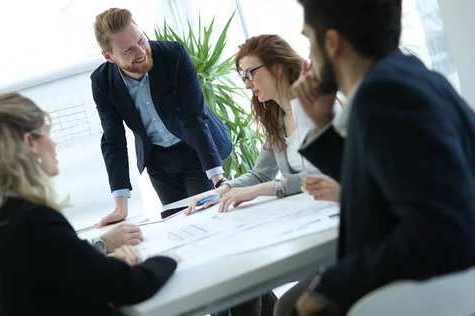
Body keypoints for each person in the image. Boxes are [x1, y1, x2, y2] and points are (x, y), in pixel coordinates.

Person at [275, 0, 475, 315]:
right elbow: (384, 184)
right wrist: (323, 126)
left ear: (332, 42)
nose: (309, 57)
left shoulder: (383, 96)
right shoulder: (415, 77)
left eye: (310, 40)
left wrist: (332, 284)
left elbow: (443, 232)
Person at [0, 92, 177, 316]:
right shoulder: (32, 219)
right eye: (47, 134)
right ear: (30, 142)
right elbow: (127, 288)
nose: (54, 144)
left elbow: (64, 275)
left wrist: (103, 267)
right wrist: (165, 259)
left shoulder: (1, 212)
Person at [91, 8, 232, 227]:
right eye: (128, 50)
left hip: (195, 148)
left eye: (141, 40)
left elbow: (194, 117)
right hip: (158, 161)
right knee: (176, 226)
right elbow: (113, 140)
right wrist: (121, 206)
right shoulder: (102, 83)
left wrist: (218, 179)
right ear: (108, 56)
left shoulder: (172, 55)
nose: (140, 52)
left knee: (209, 220)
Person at [186, 35, 341, 215]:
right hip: (306, 212)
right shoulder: (277, 119)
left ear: (277, 68)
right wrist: (219, 191)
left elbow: (322, 174)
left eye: (251, 73)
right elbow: (260, 174)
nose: (247, 85)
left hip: (333, 211)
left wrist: (257, 191)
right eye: (244, 76)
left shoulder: (320, 107)